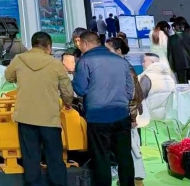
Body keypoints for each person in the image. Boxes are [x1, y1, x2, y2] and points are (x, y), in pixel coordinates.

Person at [5, 32, 73, 186]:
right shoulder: (55, 64)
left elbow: (8, 77)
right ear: (48, 46)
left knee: (30, 158)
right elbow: (67, 91)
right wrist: (68, 102)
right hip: (50, 119)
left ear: (33, 44)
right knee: (54, 157)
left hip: (25, 118)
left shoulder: (19, 60)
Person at [73, 31, 135, 186]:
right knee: (125, 156)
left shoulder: (85, 61)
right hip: (122, 114)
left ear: (85, 43)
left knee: (101, 158)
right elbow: (130, 90)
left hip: (98, 117)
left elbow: (80, 89)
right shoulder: (121, 61)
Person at [106, 37, 145, 186]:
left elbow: (134, 95)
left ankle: (137, 179)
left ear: (118, 51)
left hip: (127, 114)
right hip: (124, 113)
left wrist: (132, 117)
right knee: (128, 149)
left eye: (108, 49)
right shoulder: (120, 66)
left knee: (132, 149)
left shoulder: (125, 68)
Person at [139, 53, 176, 122]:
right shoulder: (169, 78)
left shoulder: (146, 78)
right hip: (166, 116)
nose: (142, 64)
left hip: (147, 116)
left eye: (144, 61)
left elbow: (138, 98)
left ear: (152, 62)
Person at [167, 16, 190, 83]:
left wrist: (173, 67)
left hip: (179, 66)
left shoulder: (172, 38)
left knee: (183, 86)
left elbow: (170, 55)